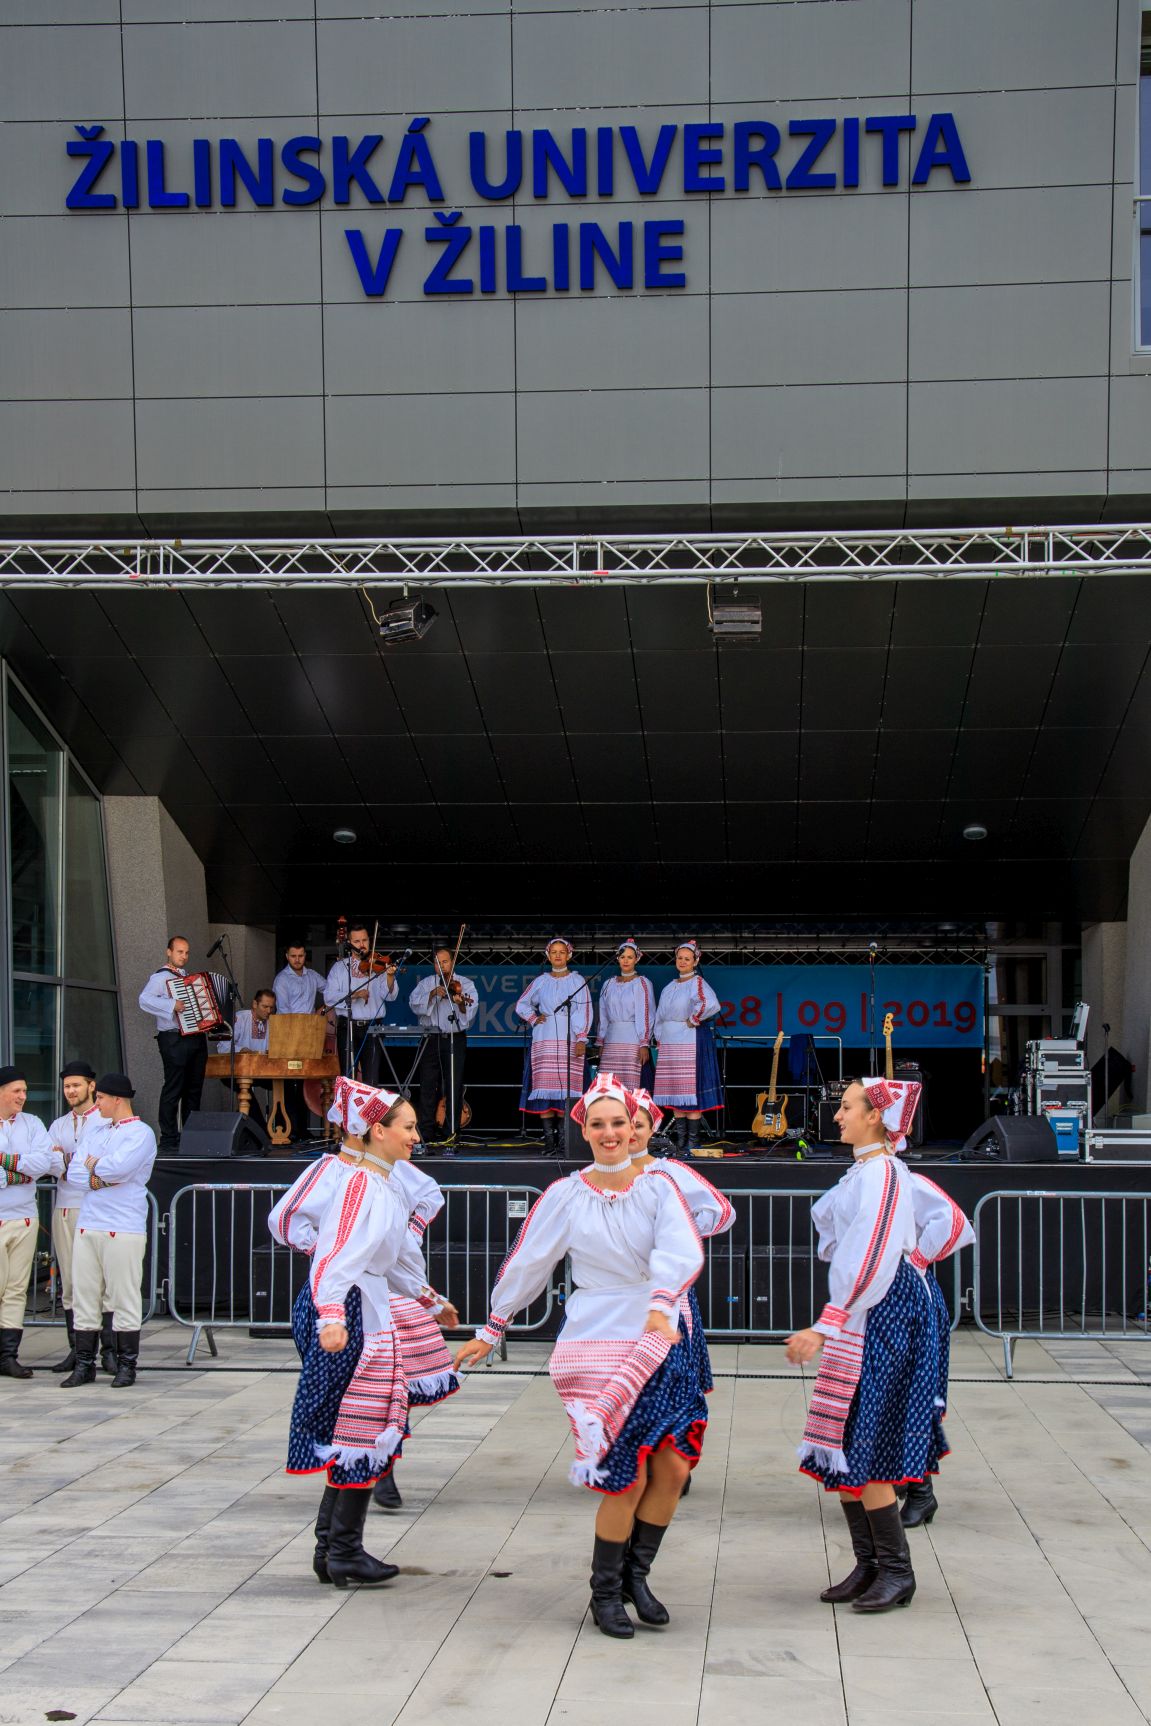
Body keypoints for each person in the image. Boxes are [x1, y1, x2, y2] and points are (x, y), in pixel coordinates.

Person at [454, 1073, 706, 1640]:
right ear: (584, 1130)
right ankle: (605, 1592)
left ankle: (635, 1576)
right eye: (599, 1124)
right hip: (599, 1337)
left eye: (619, 1122)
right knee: (626, 1476)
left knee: (673, 1467)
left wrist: (662, 1303)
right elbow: (530, 1260)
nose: (610, 1132)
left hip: (658, 1333)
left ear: (634, 1127)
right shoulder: (565, 1194)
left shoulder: (659, 1187)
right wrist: (493, 1326)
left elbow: (680, 1248)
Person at [784, 1077, 970, 1614]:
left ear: (876, 1116)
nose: (836, 1115)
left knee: (866, 1439)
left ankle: (896, 1571)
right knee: (844, 1437)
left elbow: (872, 1250)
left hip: (884, 1309)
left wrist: (828, 1322)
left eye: (846, 1107)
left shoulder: (884, 1173)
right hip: (870, 1306)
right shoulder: (867, 1172)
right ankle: (869, 1565)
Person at [269, 1078, 458, 1588]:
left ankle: (334, 1549)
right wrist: (332, 1315)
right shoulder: (358, 1183)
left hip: (362, 1304)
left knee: (359, 1428)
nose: (416, 1136)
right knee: (356, 1428)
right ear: (378, 1131)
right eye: (409, 1127)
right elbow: (335, 1255)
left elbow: (391, 1258)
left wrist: (430, 1300)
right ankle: (341, 1550)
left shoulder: (386, 1183)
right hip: (348, 1307)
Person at [629, 1087, 734, 1418]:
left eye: (638, 1125)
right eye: (622, 1122)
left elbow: (722, 1211)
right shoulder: (600, 1175)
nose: (629, 1131)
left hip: (665, 1294)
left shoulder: (668, 1172)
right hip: (618, 1295)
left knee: (670, 1383)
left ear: (653, 1130)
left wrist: (679, 1235)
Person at [373, 1155, 461, 1509]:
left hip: (398, 1300)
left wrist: (412, 1230)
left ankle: (381, 1467)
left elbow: (429, 1194)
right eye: (407, 1129)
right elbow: (286, 1220)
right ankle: (358, 1467)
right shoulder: (339, 1174)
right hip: (356, 1300)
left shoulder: (397, 1171)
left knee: (396, 1387)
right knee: (362, 1390)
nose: (414, 1138)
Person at [62, 1073, 158, 1390]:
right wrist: (99, 1171)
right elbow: (75, 1173)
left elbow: (121, 1169)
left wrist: (95, 1167)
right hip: (90, 1223)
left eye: (101, 1097)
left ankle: (127, 1365)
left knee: (123, 1295)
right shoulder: (97, 1132)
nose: (97, 1102)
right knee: (85, 1295)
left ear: (117, 1099)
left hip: (123, 1224)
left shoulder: (141, 1134)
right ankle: (84, 1364)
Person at [898, 1174, 975, 1528]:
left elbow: (953, 1220)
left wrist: (916, 1261)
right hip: (880, 1298)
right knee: (879, 1398)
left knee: (911, 1397)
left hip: (909, 1301)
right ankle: (899, 1478)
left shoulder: (905, 1181)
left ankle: (920, 1491)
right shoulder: (866, 1179)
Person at [46, 1061, 105, 1374]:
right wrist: (73, 1163)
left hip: (95, 1207)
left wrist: (68, 1160)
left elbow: (102, 1164)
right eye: (67, 1086)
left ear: (91, 1086)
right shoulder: (58, 1125)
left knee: (99, 1280)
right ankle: (78, 1351)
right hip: (65, 1207)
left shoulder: (104, 1120)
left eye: (76, 1085)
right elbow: (49, 1162)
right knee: (69, 1281)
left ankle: (109, 1351)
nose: (71, 1091)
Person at [0, 1066, 56, 1379]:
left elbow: (43, 1163)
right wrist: (23, 1173)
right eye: (16, 1091)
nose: (23, 1096)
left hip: (24, 1217)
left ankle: (8, 1356)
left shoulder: (32, 1123)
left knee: (16, 1288)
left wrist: (6, 1165)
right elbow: (31, 1167)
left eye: (24, 1090)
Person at [515, 939, 592, 1158]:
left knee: (566, 1088)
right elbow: (521, 1003)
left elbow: (584, 1010)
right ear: (548, 956)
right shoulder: (541, 981)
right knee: (546, 1088)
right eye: (554, 952)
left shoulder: (577, 980)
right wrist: (533, 1018)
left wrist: (581, 1038)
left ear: (569, 955)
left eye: (562, 952)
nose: (558, 956)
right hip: (545, 1035)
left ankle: (565, 1141)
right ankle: (550, 1142)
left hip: (569, 1034)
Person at [138, 935, 207, 1154]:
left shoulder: (187, 977)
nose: (184, 956)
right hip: (173, 1038)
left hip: (195, 1037)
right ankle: (168, 1138)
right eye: (179, 952)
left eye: (186, 952)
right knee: (174, 1087)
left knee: (193, 1088)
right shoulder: (161, 977)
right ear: (169, 952)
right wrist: (171, 1004)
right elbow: (144, 1000)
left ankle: (190, 1136)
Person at [653, 941, 723, 1156]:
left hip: (689, 1038)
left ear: (695, 961)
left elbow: (711, 1003)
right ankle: (681, 1141)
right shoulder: (669, 986)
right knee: (676, 1091)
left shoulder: (697, 982)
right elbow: (660, 1015)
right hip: (670, 1040)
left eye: (687, 958)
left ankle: (692, 1142)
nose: (682, 962)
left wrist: (694, 1019)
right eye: (679, 958)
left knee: (690, 1091)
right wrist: (659, 1037)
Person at [409, 946, 477, 1152]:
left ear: (452, 963)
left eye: (445, 962)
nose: (442, 966)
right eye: (438, 963)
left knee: (454, 1085)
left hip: (454, 1037)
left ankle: (451, 1132)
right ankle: (426, 1133)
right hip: (431, 1037)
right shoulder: (426, 983)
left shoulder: (464, 983)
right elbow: (414, 1004)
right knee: (428, 1084)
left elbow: (470, 1011)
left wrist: (460, 1004)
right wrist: (432, 995)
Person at [323, 924, 397, 1088]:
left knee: (372, 1080)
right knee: (348, 1078)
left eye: (364, 940)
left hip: (373, 1027)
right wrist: (355, 994)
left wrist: (390, 976)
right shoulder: (340, 968)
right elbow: (329, 997)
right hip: (347, 1026)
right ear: (349, 944)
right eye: (357, 941)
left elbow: (390, 996)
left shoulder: (379, 965)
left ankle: (369, 1106)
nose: (361, 944)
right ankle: (350, 1106)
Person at [273, 942, 328, 1139]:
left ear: (305, 956)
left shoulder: (312, 975)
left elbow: (331, 991)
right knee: (290, 1083)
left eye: (301, 956)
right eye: (293, 956)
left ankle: (302, 1130)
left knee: (305, 1081)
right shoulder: (282, 979)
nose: (297, 960)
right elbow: (285, 1012)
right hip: (289, 1035)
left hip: (310, 1034)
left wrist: (321, 1010)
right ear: (287, 956)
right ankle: (289, 1130)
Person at [595, 940, 655, 1092]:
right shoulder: (608, 984)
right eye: (622, 957)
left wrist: (644, 1043)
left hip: (633, 1039)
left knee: (632, 1084)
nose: (626, 960)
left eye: (630, 957)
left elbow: (646, 1013)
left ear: (636, 959)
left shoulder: (642, 982)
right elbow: (603, 1014)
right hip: (611, 1039)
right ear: (617, 959)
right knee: (609, 1084)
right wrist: (601, 1041)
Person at [215, 988, 276, 1130]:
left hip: (263, 1070)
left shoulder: (273, 1022)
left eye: (271, 1007)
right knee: (245, 1088)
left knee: (288, 1083)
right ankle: (260, 1130)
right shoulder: (240, 1018)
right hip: (237, 1071)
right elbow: (223, 1046)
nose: (268, 1011)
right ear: (255, 1004)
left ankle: (284, 1130)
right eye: (265, 1006)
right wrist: (241, 1050)